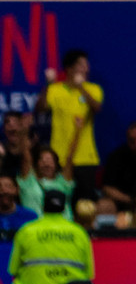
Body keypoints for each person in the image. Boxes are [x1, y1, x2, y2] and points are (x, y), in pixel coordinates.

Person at [37, 50, 104, 200]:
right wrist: (47, 85)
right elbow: (40, 109)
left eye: (86, 65)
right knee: (59, 200)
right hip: (59, 157)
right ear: (69, 68)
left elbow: (97, 108)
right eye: (81, 64)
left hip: (86, 158)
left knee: (86, 203)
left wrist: (81, 88)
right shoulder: (55, 89)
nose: (86, 68)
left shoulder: (93, 89)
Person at [5, 188, 94, 284]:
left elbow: (13, 270)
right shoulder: (79, 232)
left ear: (42, 206)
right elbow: (89, 273)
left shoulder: (26, 230)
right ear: (64, 209)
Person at [101, 120, 136, 210]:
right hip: (126, 202)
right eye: (132, 141)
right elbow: (107, 188)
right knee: (104, 205)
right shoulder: (117, 156)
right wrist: (133, 201)